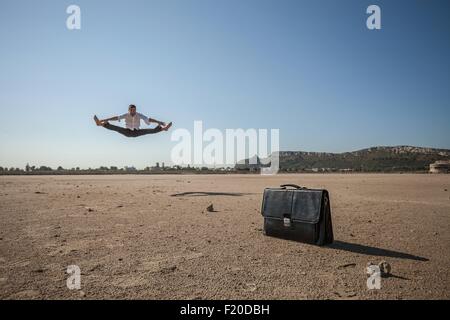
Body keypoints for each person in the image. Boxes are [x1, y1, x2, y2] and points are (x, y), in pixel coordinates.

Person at [94, 104, 172, 138]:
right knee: (116, 128)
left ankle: (164, 128)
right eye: (131, 110)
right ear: (129, 110)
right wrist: (104, 120)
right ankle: (101, 124)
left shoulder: (139, 114)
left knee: (150, 131)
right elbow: (116, 118)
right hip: (127, 132)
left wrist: (159, 122)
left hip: (136, 132)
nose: (133, 111)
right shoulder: (126, 115)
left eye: (134, 110)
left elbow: (149, 119)